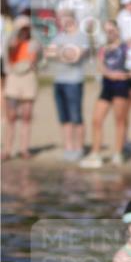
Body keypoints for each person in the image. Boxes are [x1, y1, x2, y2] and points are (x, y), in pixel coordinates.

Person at [80, 21, 131, 168]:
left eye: (112, 30)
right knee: (96, 119)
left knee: (120, 120)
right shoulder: (104, 48)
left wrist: (127, 75)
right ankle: (95, 153)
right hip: (107, 85)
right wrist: (110, 74)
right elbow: (100, 65)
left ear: (118, 30)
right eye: (107, 31)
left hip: (121, 86)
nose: (110, 33)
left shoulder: (126, 47)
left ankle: (118, 152)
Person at [45, 9, 89, 162]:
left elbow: (76, 56)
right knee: (64, 117)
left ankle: (79, 147)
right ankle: (68, 147)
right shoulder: (59, 37)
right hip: (59, 81)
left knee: (76, 116)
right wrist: (65, 53)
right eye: (60, 19)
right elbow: (48, 54)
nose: (62, 21)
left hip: (74, 81)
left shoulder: (81, 37)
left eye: (64, 18)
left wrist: (59, 53)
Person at [3, 16, 39, 160]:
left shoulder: (34, 43)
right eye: (22, 28)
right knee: (10, 116)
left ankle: (24, 149)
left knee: (26, 116)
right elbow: (9, 48)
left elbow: (38, 58)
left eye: (27, 28)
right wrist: (16, 31)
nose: (24, 31)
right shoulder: (11, 41)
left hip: (28, 79)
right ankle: (7, 150)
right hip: (13, 79)